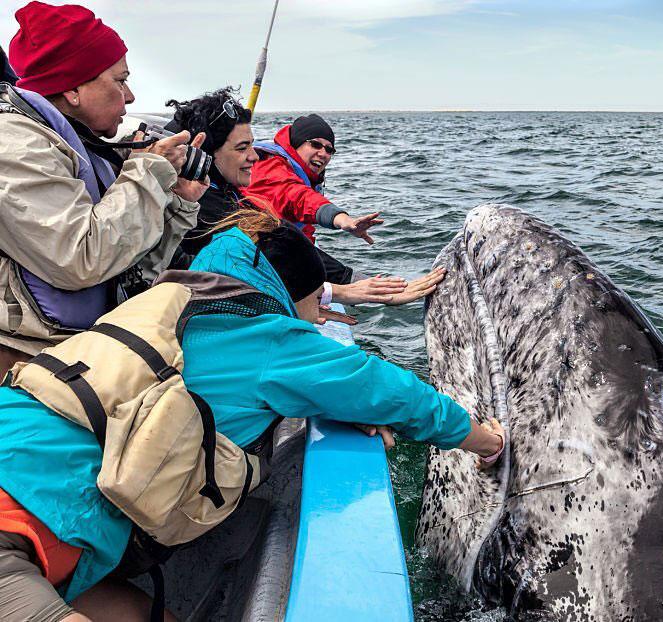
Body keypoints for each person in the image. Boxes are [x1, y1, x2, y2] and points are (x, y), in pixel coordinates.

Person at [0, 208, 505, 622]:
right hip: (25, 521)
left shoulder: (167, 301)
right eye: (313, 302)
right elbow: (392, 392)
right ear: (290, 295)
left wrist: (325, 401)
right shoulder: (269, 337)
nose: (314, 316)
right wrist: (486, 442)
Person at [0, 2, 206, 378]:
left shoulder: (80, 146)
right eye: (120, 80)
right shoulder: (15, 146)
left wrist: (175, 201)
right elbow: (80, 260)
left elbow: (126, 269)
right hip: (27, 364)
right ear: (74, 88)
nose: (129, 96)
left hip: (79, 352)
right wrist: (148, 169)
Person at [168, 90, 443, 306]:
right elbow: (278, 226)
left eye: (330, 149)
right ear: (200, 155)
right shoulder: (217, 200)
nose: (253, 156)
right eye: (242, 148)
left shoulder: (223, 190)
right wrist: (343, 290)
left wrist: (347, 285)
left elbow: (279, 241)